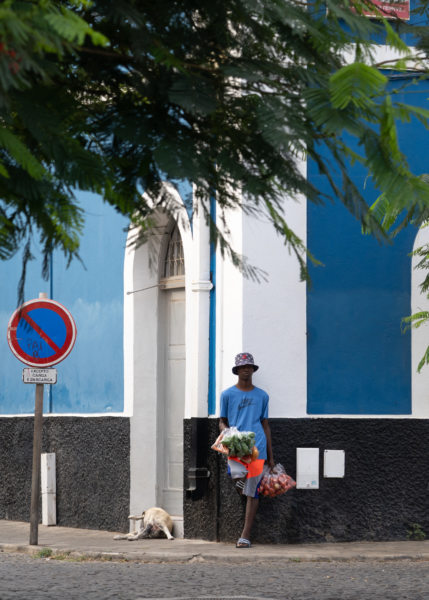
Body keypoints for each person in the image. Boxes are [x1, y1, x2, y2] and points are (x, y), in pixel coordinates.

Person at [219, 352, 274, 548]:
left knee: (253, 492)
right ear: (237, 370)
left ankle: (245, 536)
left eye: (249, 366)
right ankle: (249, 489)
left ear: (253, 369)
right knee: (236, 477)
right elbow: (222, 421)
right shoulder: (227, 395)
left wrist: (271, 456)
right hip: (236, 447)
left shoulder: (262, 396)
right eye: (242, 367)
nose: (246, 369)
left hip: (258, 448)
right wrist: (226, 432)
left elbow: (265, 425)